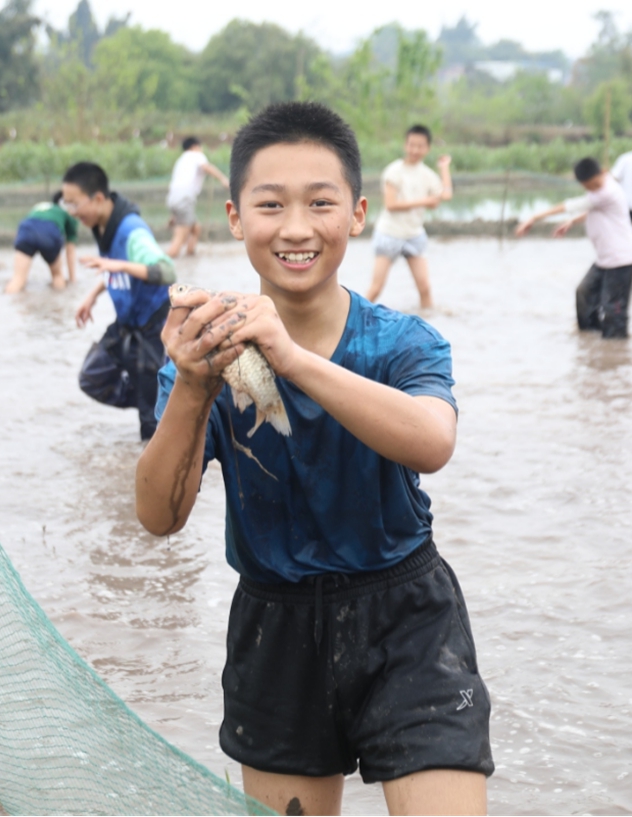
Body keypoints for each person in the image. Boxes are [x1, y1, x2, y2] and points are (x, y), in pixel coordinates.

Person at [136, 102, 493, 816]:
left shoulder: (402, 342)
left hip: (408, 617)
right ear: (236, 217)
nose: (296, 228)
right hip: (276, 622)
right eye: (270, 205)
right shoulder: (205, 355)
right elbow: (157, 517)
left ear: (357, 213)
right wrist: (196, 386)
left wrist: (292, 359)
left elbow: (433, 441)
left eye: (320, 203)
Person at [63, 162, 176, 441]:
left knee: (151, 431)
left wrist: (118, 265)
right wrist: (92, 295)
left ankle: (160, 408)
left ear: (98, 199)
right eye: (68, 206)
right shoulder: (103, 226)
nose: (73, 213)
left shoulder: (131, 230)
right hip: (126, 324)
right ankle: (164, 402)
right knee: (92, 377)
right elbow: (114, 267)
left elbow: (166, 271)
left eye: (75, 205)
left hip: (152, 326)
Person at [516, 157, 632, 339]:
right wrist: (572, 221)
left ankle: (615, 347)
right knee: (583, 293)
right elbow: (594, 207)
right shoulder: (603, 187)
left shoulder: (607, 191)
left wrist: (534, 217)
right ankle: (591, 340)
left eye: (594, 185)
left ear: (602, 173)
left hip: (621, 261)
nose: (592, 189)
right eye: (588, 187)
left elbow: (572, 205)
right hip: (605, 260)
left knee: (613, 309)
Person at [366, 124, 452, 308]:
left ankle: (427, 327)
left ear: (427, 148)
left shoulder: (427, 175)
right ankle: (350, 323)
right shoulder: (394, 171)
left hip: (414, 235)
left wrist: (444, 168)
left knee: (425, 288)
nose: (415, 150)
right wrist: (425, 201)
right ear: (405, 145)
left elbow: (445, 195)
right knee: (376, 288)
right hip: (390, 233)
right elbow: (390, 205)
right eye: (412, 145)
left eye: (420, 146)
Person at [166, 136, 230, 258]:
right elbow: (207, 167)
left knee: (196, 228)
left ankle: (190, 255)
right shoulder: (196, 155)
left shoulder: (181, 160)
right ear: (195, 146)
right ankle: (166, 262)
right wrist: (223, 179)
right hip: (184, 198)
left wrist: (174, 215)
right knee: (180, 237)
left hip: (174, 199)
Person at [4, 191, 78, 293]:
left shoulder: (40, 206)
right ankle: (62, 303)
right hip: (49, 233)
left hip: (26, 231)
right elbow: (70, 251)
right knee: (57, 276)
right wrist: (72, 279)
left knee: (18, 279)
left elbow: (22, 229)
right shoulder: (70, 214)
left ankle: (8, 304)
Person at [611, 149, 632, 221]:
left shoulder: (625, 159)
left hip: (626, 206)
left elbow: (612, 180)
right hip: (627, 208)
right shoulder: (625, 159)